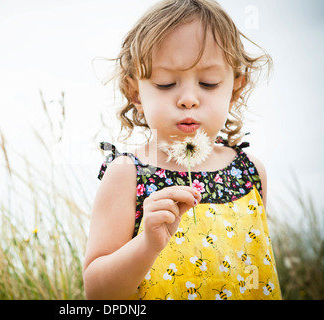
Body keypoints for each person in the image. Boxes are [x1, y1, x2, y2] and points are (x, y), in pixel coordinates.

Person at [83, 0, 281, 300]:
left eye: (208, 82)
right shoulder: (127, 175)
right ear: (136, 92)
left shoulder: (250, 173)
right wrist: (147, 243)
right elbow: (97, 294)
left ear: (235, 90)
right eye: (165, 84)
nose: (188, 98)